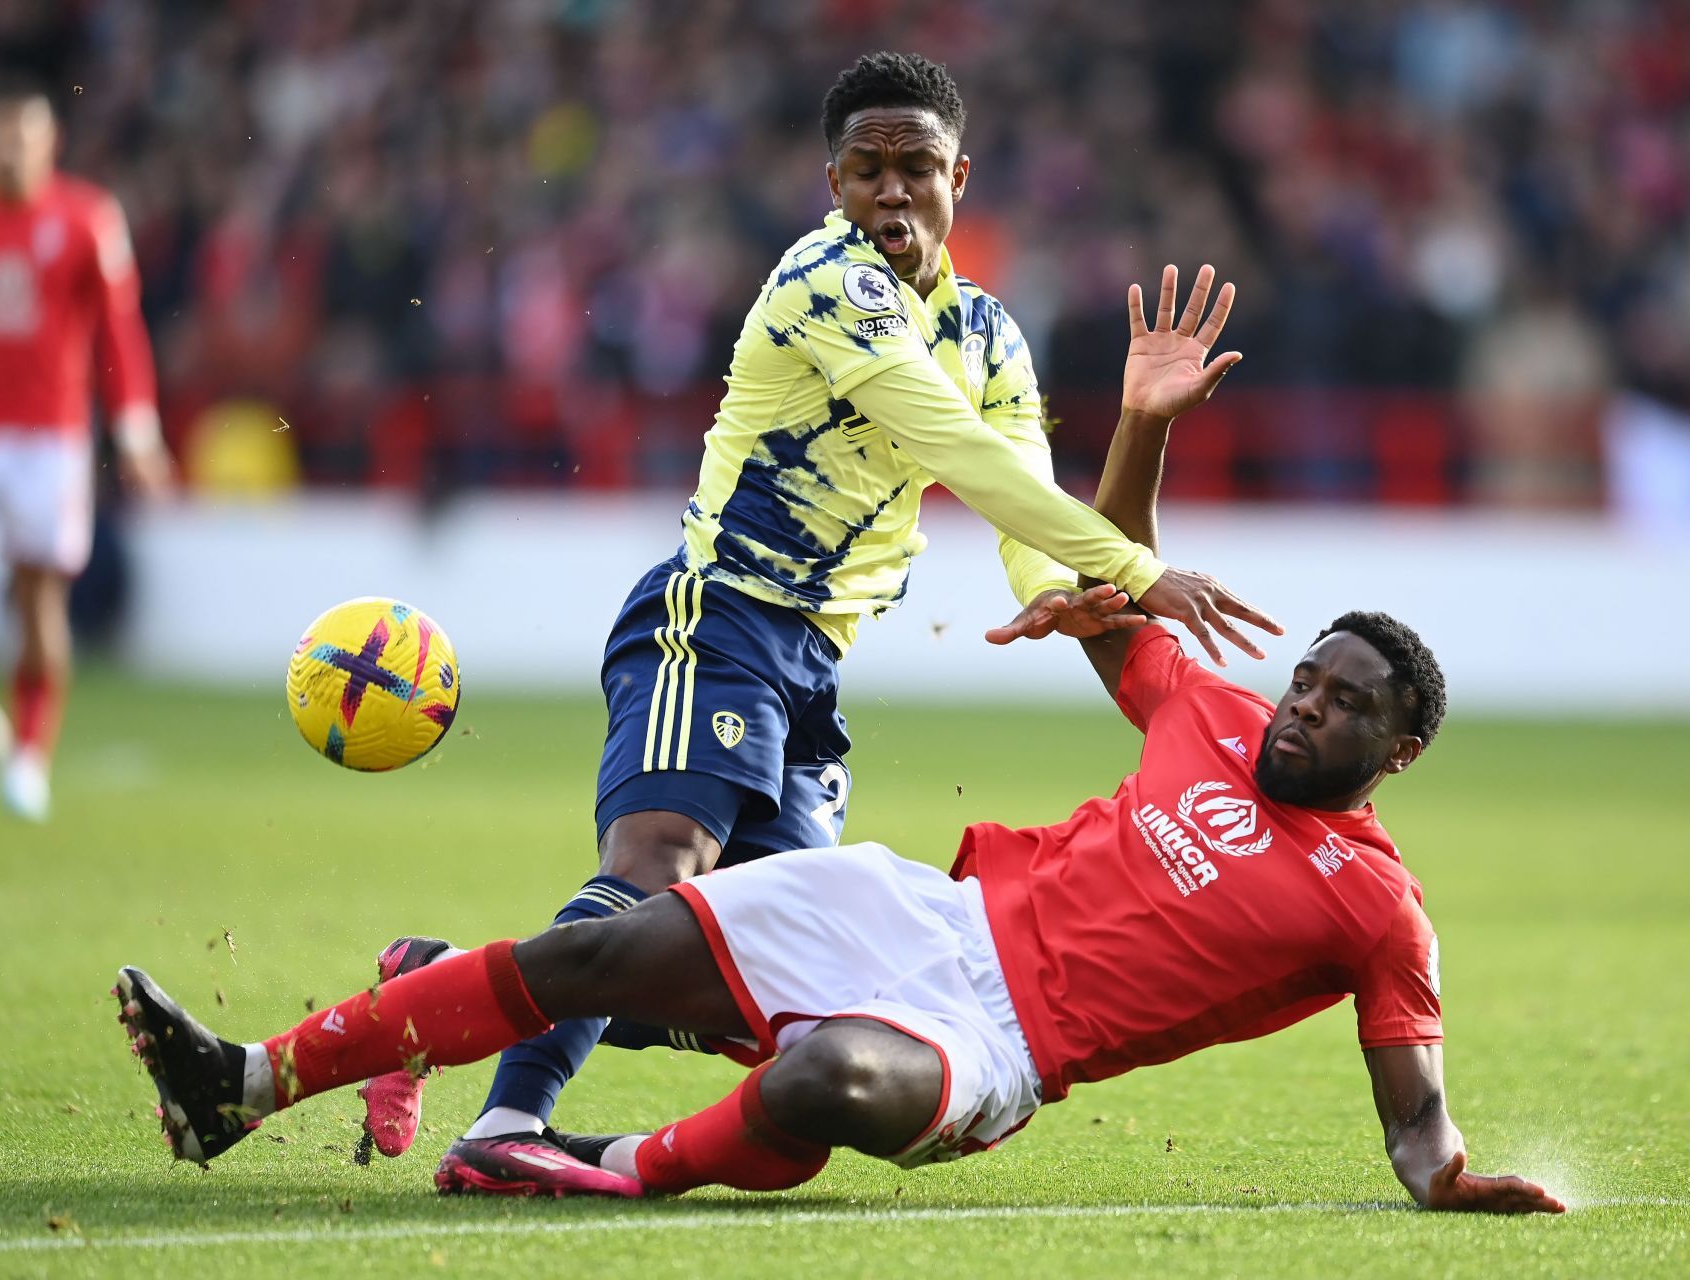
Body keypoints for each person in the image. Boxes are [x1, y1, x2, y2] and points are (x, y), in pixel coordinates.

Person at [117, 266, 1564, 1216]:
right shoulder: (1213, 713)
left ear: (1399, 750)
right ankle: (240, 1084)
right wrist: (1143, 423)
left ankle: (599, 1170)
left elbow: (1419, 1133)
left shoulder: (1377, 906)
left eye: (1348, 704)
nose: (1308, 703)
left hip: (991, 1041)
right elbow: (1119, 582)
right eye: (1312, 675)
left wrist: (1454, 1185)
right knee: (604, 948)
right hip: (917, 909)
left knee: (818, 1084)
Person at [353, 51, 1279, 1193]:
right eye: (868, 169)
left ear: (961, 177)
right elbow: (958, 451)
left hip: (812, 665)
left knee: (767, 990)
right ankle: (507, 1120)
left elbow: (1016, 493)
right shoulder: (825, 283)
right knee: (657, 871)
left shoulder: (989, 333)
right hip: (722, 610)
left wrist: (1053, 582)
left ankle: (433, 985)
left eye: (918, 168)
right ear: (832, 181)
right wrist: (1136, 563)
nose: (892, 191)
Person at [0, 72, 172, 822]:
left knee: (39, 599)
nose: (9, 151)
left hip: (49, 442)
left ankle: (31, 754)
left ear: (48, 142)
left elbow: (119, 331)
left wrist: (136, 430)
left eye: (22, 135)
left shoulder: (84, 218)